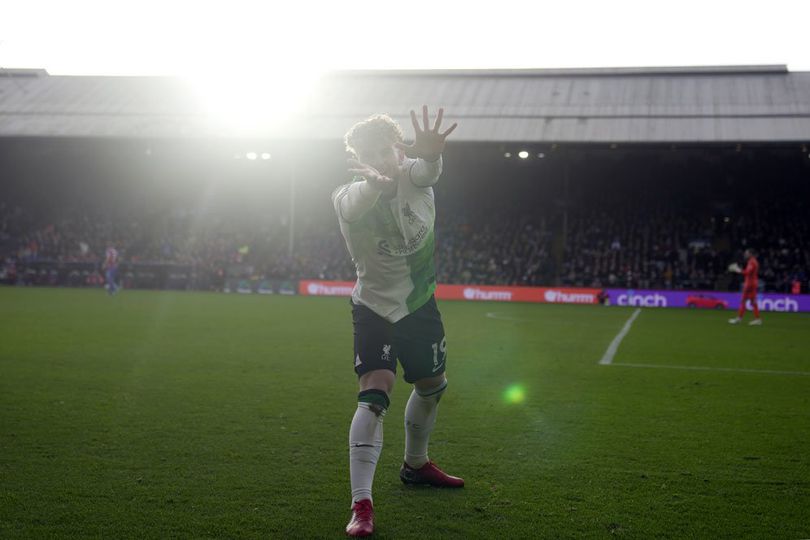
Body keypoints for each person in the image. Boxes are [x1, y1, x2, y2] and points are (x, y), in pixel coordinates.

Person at [332, 107, 462, 537]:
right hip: (374, 308)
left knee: (432, 386)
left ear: (399, 148)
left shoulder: (414, 174)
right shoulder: (348, 197)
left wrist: (432, 155)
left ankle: (416, 465)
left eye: (385, 151)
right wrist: (372, 182)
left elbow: (427, 170)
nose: (380, 161)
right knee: (375, 393)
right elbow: (357, 202)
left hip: (420, 303)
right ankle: (361, 505)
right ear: (356, 159)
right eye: (367, 155)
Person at [728, 248, 761, 325]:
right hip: (753, 283)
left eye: (747, 253)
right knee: (753, 302)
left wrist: (737, 270)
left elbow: (747, 273)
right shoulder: (753, 261)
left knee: (743, 301)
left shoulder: (752, 262)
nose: (745, 254)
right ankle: (757, 319)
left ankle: (739, 318)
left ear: (751, 254)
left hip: (749, 284)